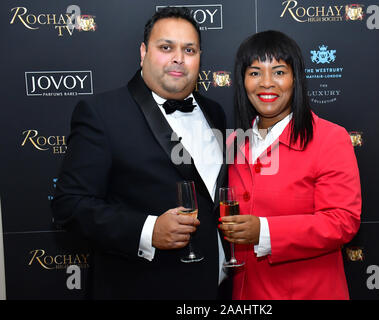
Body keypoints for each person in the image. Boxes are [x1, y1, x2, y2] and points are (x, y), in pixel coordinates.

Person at [52, 7, 230, 299]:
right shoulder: (102, 114)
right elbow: (69, 207)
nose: (178, 58)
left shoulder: (214, 112)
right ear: (143, 52)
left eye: (189, 49)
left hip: (216, 287)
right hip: (143, 286)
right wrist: (148, 230)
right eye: (165, 47)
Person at [219, 30, 361, 300]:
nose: (267, 83)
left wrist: (265, 231)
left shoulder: (329, 138)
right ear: (242, 81)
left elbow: (343, 221)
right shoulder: (233, 143)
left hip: (308, 292)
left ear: (295, 79)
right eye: (254, 73)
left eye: (279, 72)